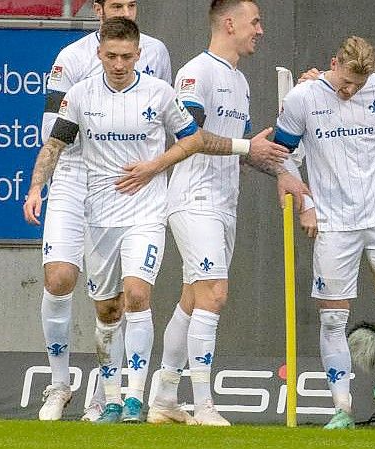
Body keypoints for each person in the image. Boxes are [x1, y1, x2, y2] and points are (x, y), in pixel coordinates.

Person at [130, 0, 303, 427]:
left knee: (192, 298)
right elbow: (190, 137)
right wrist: (248, 146)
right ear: (230, 23)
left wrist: (279, 169)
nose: (260, 30)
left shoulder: (240, 80)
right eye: (255, 21)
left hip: (225, 201)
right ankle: (205, 405)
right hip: (194, 199)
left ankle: (165, 397)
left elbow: (242, 146)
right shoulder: (196, 72)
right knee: (215, 294)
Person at [24, 17, 202, 423]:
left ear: (139, 54)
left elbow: (192, 138)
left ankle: (136, 397)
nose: (119, 63)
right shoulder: (82, 95)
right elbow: (55, 144)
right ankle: (110, 396)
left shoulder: (159, 93)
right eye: (111, 56)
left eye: (126, 56)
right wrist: (36, 188)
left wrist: (155, 166)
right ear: (99, 53)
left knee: (137, 294)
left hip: (145, 210)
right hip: (99, 214)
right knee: (107, 310)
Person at [273, 36, 375, 430]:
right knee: (332, 321)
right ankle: (341, 408)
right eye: (345, 82)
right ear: (333, 63)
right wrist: (306, 206)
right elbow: (282, 156)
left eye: (358, 85)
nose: (350, 91)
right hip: (332, 222)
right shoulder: (302, 98)